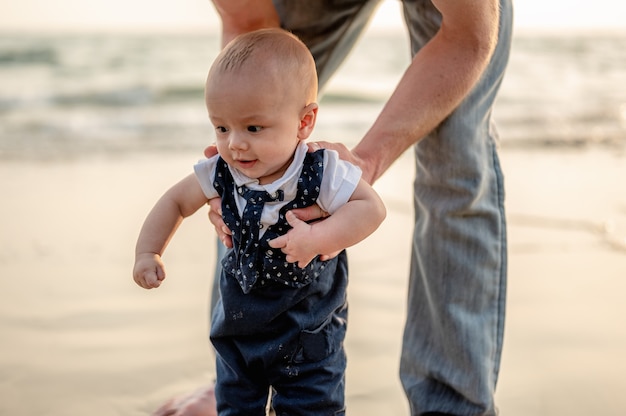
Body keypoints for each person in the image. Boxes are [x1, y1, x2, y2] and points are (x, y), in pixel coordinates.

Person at [154, 0, 513, 415]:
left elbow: (468, 37)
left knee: (456, 157)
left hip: (462, 21)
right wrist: (246, 152)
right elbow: (247, 23)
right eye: (221, 129)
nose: (232, 140)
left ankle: (453, 404)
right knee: (260, 86)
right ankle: (243, 370)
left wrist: (364, 167)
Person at [134, 28, 386, 415]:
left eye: (253, 128)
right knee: (235, 402)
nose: (235, 142)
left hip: (308, 329)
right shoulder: (221, 170)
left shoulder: (319, 171)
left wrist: (320, 236)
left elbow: (371, 209)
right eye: (221, 127)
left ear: (304, 122)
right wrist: (149, 251)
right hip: (239, 324)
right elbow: (174, 201)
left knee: (311, 404)